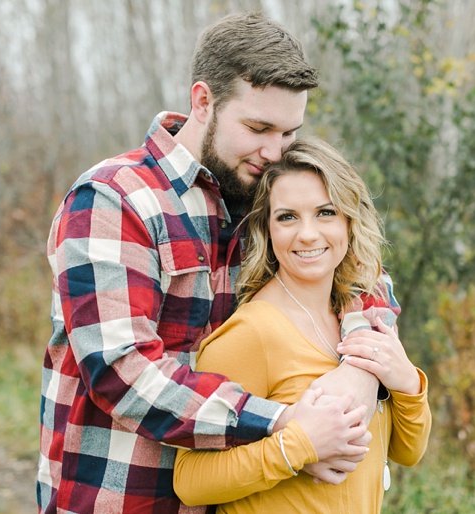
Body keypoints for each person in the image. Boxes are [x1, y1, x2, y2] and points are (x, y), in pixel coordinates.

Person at [38, 11, 385, 514]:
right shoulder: (115, 199)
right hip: (122, 497)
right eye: (258, 127)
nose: (274, 151)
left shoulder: (264, 195)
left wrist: (360, 371)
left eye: (288, 133)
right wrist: (284, 423)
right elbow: (121, 369)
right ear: (203, 100)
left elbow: (360, 273)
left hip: (234, 496)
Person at [173, 137, 432, 513]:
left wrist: (407, 382)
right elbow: (191, 481)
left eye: (325, 212)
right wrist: (297, 447)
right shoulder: (251, 333)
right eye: (288, 216)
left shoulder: (361, 320)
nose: (308, 234)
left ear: (349, 219)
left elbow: (408, 451)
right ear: (267, 229)